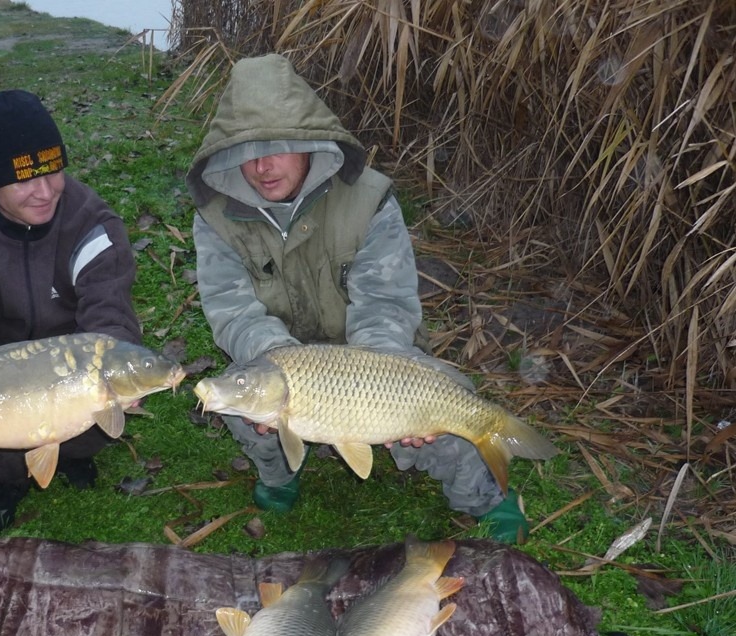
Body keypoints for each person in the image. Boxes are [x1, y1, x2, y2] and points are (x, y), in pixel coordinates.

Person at [185, 54, 529, 543]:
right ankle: (281, 472)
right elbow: (230, 308)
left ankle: (483, 497)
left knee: (441, 399)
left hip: (371, 351)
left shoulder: (369, 198)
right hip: (278, 357)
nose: (261, 167)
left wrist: (390, 386)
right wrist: (278, 360)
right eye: (247, 151)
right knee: (242, 401)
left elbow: (386, 305)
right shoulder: (216, 216)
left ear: (308, 141)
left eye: (278, 147)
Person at [0, 89, 141, 534]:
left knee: (93, 400)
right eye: (24, 179)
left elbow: (110, 316)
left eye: (53, 170)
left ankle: (74, 454)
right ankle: (1, 483)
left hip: (70, 373)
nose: (45, 191)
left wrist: (119, 367)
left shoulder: (92, 222)